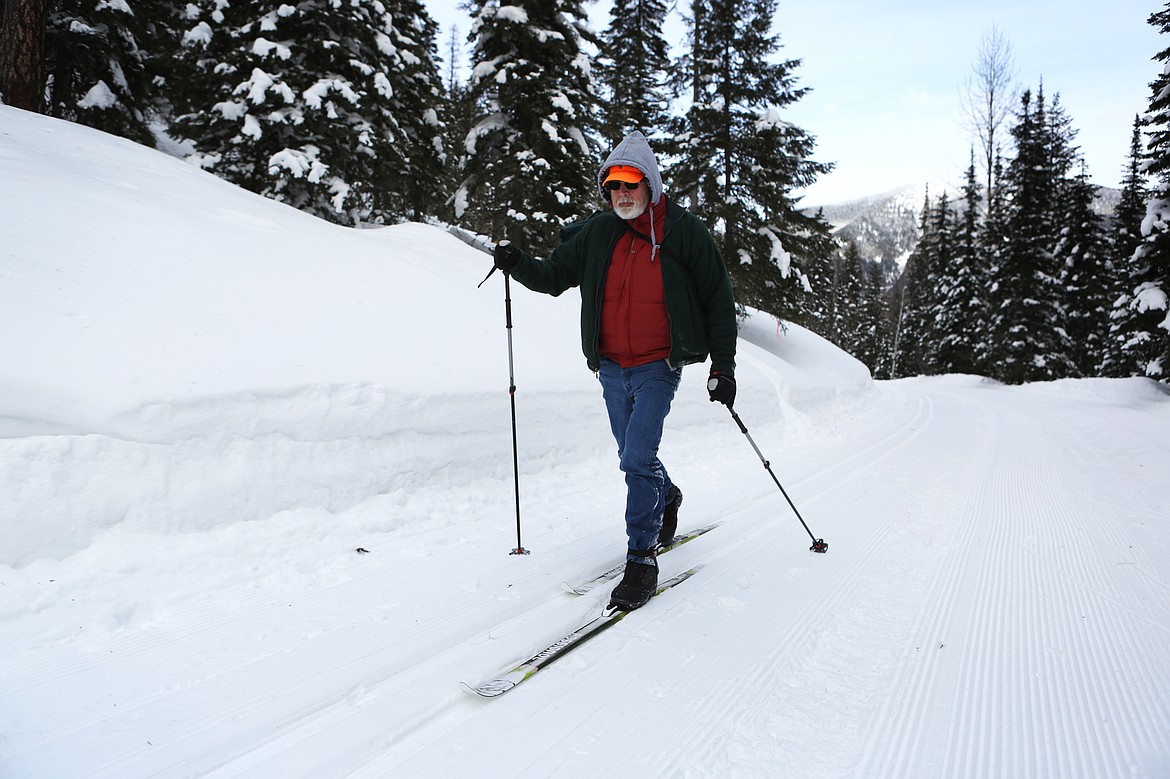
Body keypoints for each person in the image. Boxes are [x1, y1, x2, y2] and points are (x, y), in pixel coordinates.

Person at [491, 130, 737, 610]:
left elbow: (718, 302)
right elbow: (555, 277)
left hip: (657, 366)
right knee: (633, 454)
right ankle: (667, 497)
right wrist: (518, 263)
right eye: (613, 187)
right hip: (609, 367)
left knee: (636, 457)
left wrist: (723, 368)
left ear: (651, 183)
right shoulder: (598, 233)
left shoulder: (683, 233)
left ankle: (641, 559)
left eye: (630, 184)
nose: (621, 195)